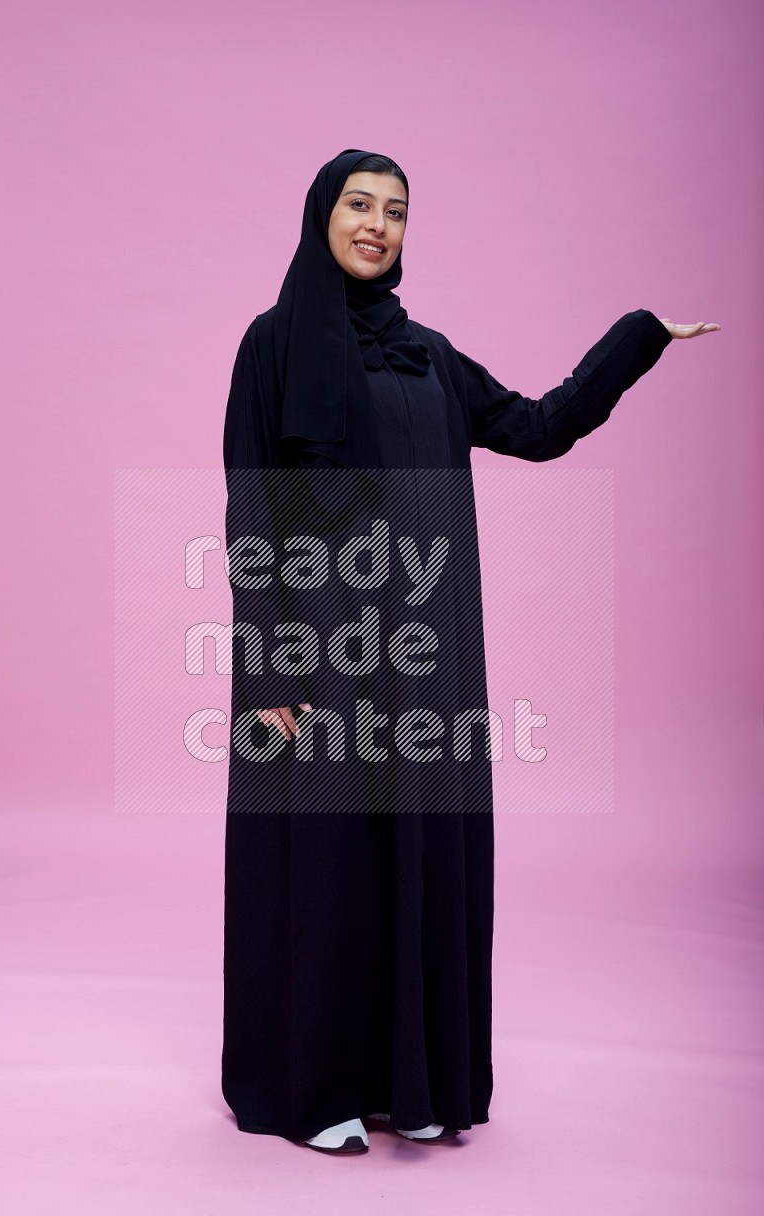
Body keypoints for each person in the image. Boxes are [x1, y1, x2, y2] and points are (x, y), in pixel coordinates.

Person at [221, 148, 720, 1156]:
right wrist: (271, 666)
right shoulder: (272, 345)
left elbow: (536, 427)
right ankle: (311, 1085)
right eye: (357, 204)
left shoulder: (429, 355)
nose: (375, 224)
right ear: (321, 214)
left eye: (395, 211)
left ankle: (409, 1082)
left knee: (418, 850)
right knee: (326, 862)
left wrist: (636, 341)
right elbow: (251, 510)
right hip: (319, 650)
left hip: (426, 651)